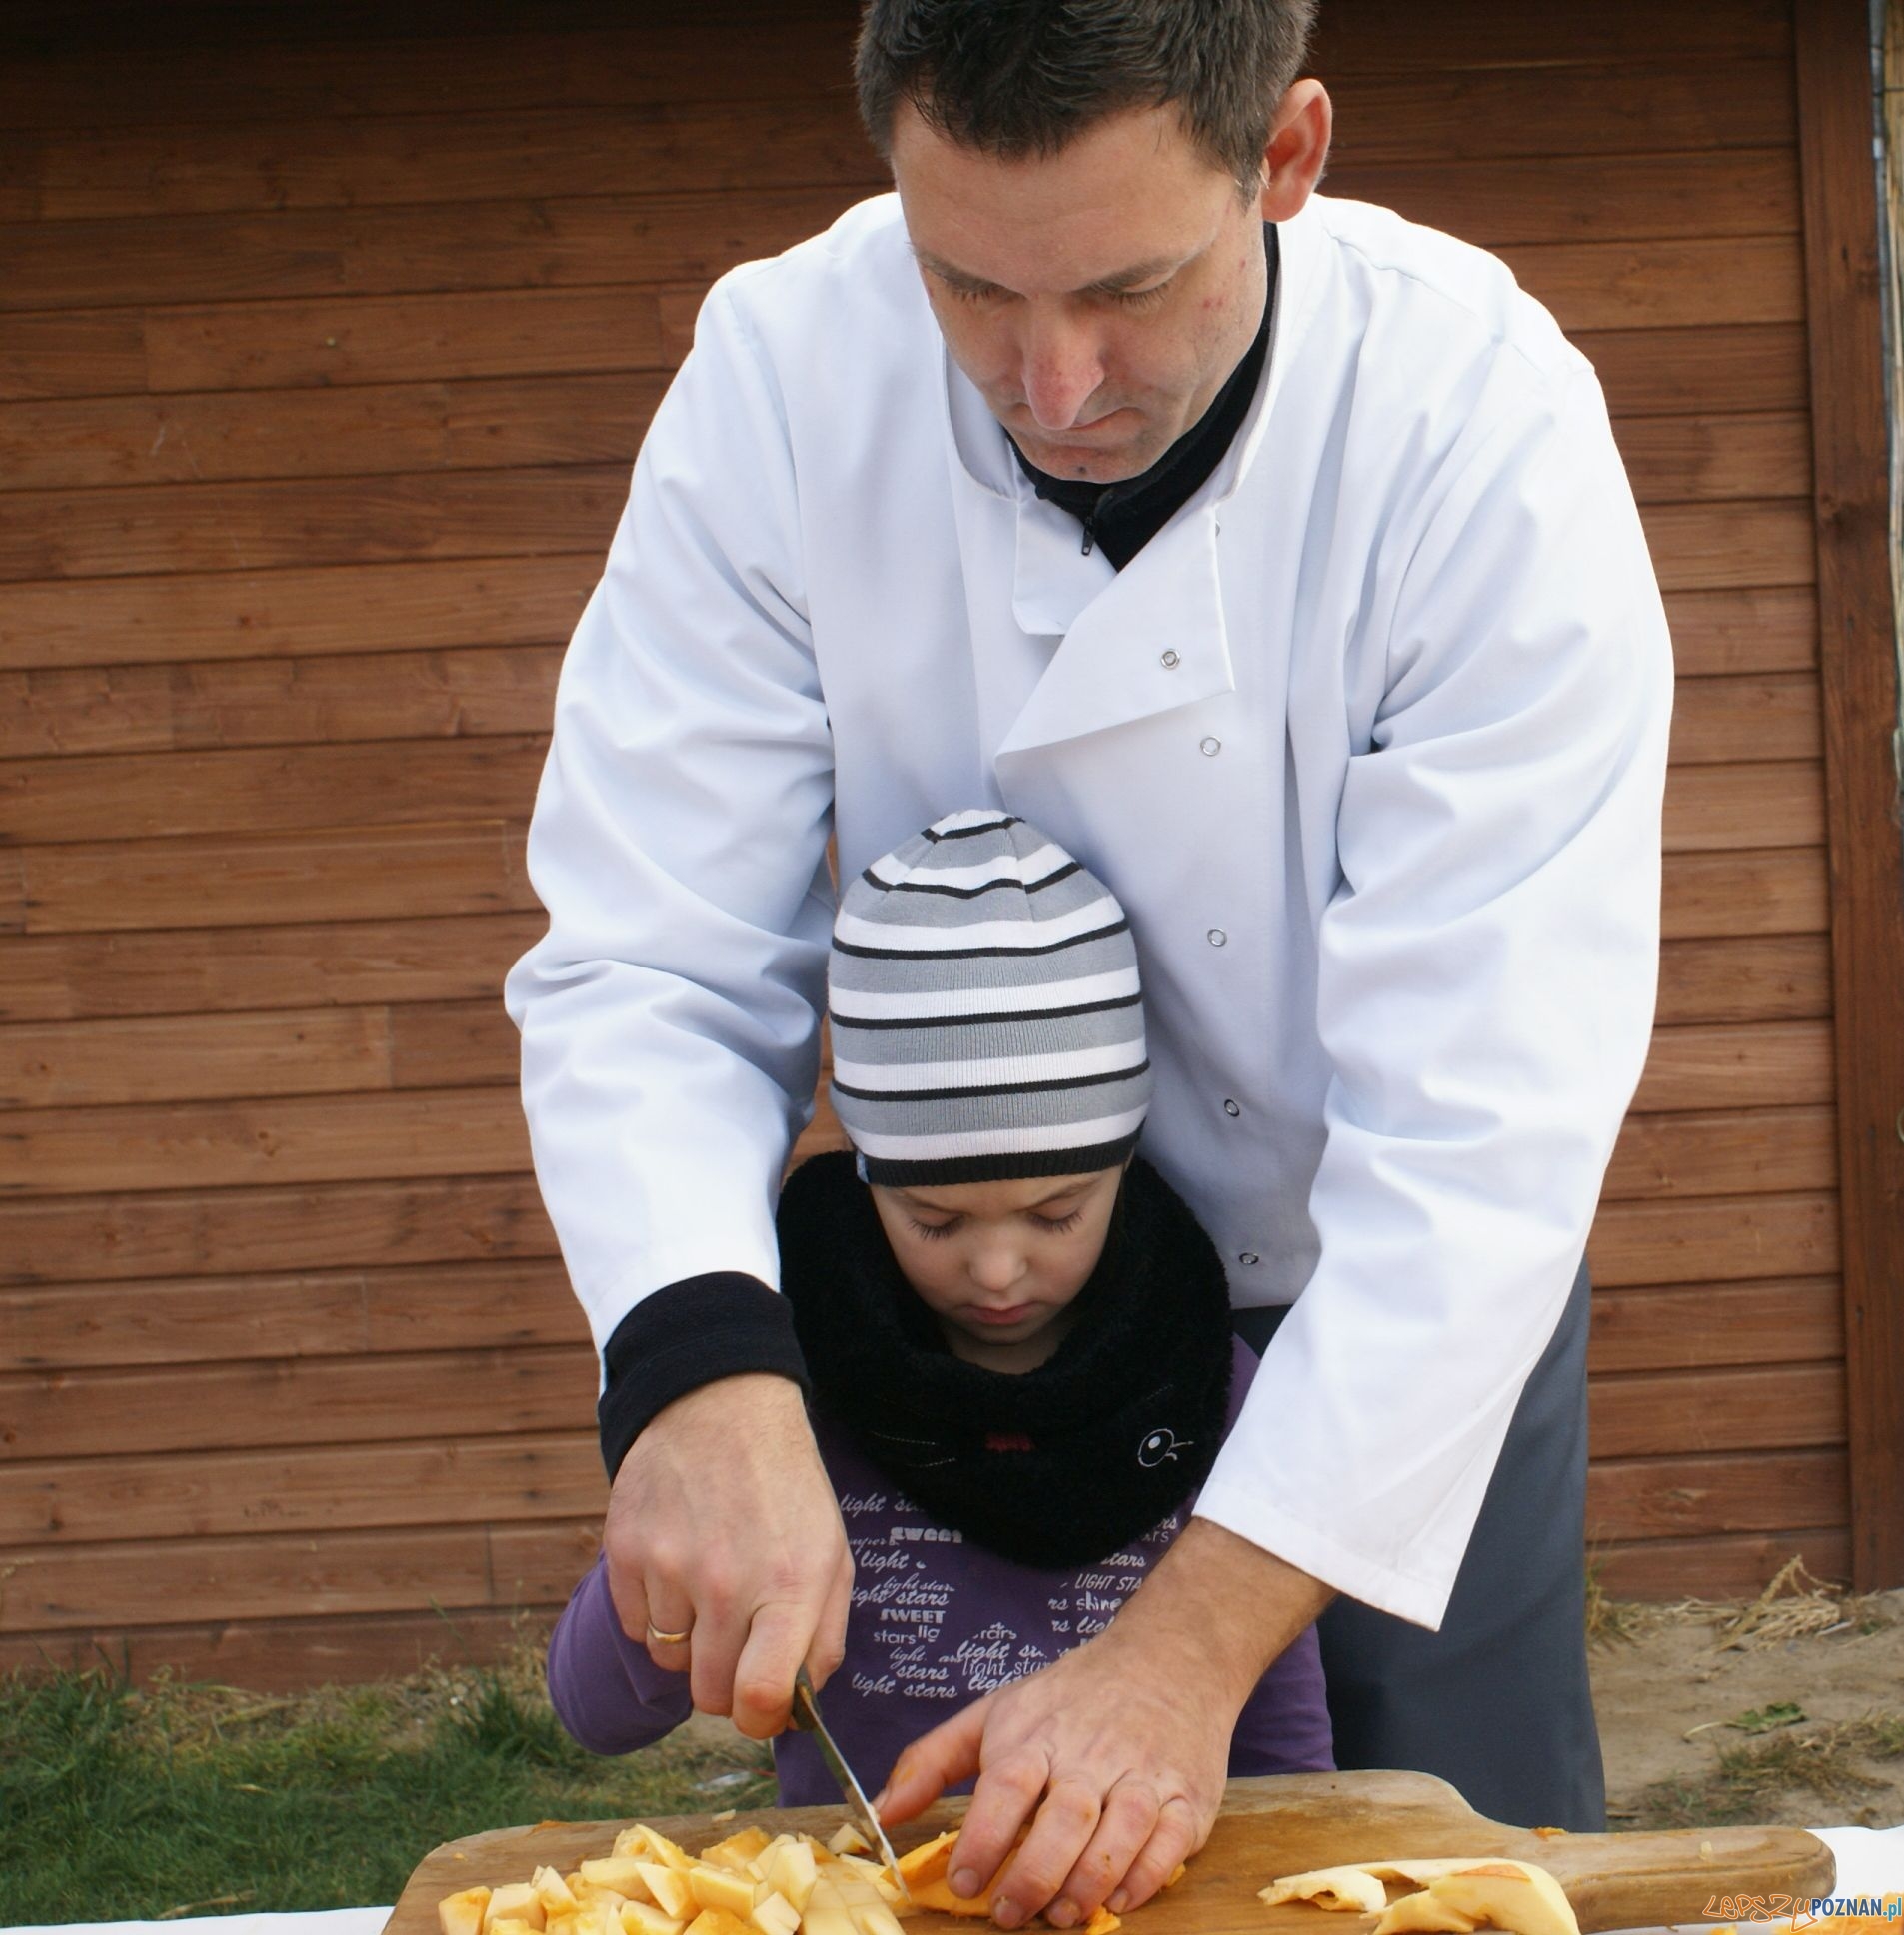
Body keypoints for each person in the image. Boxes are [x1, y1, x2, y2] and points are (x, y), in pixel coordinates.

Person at [504, 0, 1673, 1925]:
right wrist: (695, 1369)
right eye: (966, 284)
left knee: (1451, 1870)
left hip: (1384, 1307)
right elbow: (651, 951)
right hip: (955, 1303)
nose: (1051, 387)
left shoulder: (1480, 423)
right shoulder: (785, 369)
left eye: (1129, 288)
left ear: (1284, 157)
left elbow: (1488, 1140)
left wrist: (1188, 1650)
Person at [543, 812, 1335, 1800]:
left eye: (1054, 1213)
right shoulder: (788, 1403)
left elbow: (1281, 1755)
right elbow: (591, 1710)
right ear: (866, 1179)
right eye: (935, 1220)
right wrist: (676, 1582)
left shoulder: (1206, 1389)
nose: (998, 1271)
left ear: (1124, 1167)